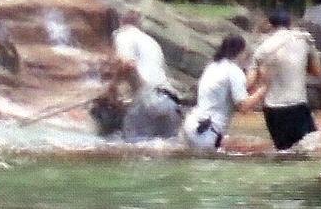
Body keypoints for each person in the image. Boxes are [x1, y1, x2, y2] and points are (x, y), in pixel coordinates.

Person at [94, 9, 182, 141]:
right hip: (170, 101)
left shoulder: (123, 35)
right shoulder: (151, 42)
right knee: (167, 148)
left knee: (131, 150)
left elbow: (128, 65)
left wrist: (110, 89)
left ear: (121, 23)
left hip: (147, 100)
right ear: (139, 25)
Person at [248, 8, 321, 150]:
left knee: (283, 152)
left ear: (270, 25)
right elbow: (317, 72)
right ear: (290, 23)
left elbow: (250, 83)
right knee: (308, 151)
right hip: (297, 105)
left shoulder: (262, 48)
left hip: (272, 109)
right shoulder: (304, 40)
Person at [183, 35, 267, 149]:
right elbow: (243, 107)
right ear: (240, 52)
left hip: (192, 125)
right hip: (207, 133)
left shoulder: (213, 66)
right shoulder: (234, 71)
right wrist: (264, 89)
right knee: (262, 148)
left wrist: (254, 74)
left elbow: (234, 89)